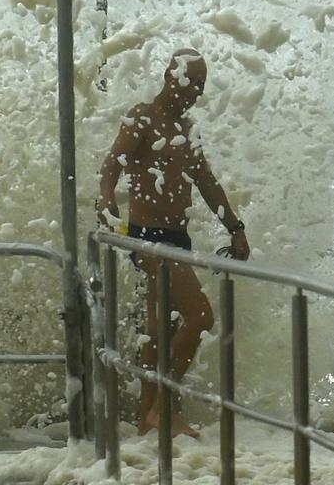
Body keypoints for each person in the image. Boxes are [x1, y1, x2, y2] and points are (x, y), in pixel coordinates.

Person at [97, 48, 250, 437]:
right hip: (148, 238)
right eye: (194, 82)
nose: (198, 92)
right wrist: (106, 199)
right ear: (173, 76)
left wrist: (236, 227)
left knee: (160, 326)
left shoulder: (186, 129)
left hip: (176, 237)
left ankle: (148, 422)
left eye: (202, 85)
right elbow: (113, 161)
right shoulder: (143, 116)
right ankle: (165, 404)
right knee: (201, 318)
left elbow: (208, 183)